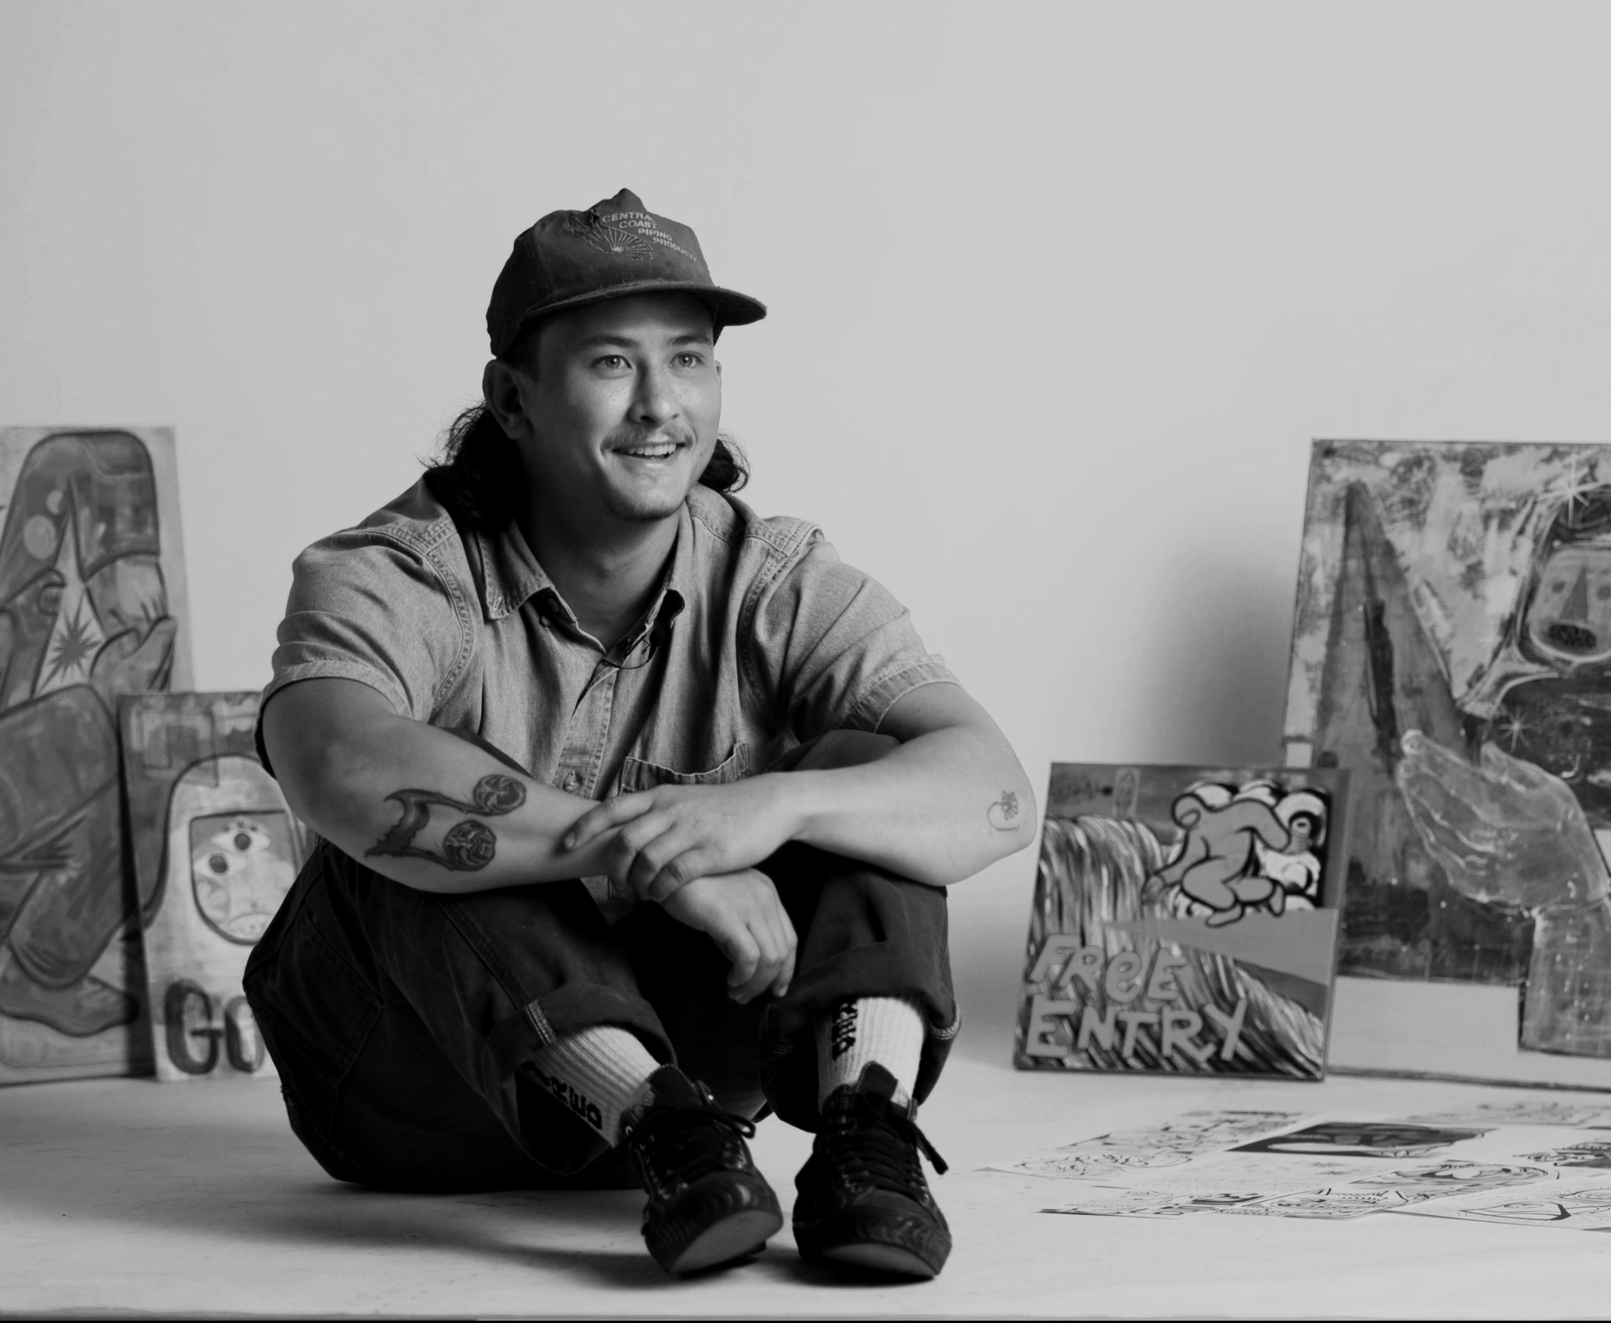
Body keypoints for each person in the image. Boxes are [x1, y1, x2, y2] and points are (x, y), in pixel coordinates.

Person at [245, 189, 1033, 1281]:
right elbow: (331, 759)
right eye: (612, 362)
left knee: (869, 773)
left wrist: (773, 806)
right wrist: (643, 851)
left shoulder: (775, 576)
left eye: (690, 360)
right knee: (424, 811)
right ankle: (650, 1113)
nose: (661, 405)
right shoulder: (400, 570)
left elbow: (993, 789)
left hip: (713, 1107)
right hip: (411, 1095)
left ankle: (867, 1135)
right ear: (511, 400)